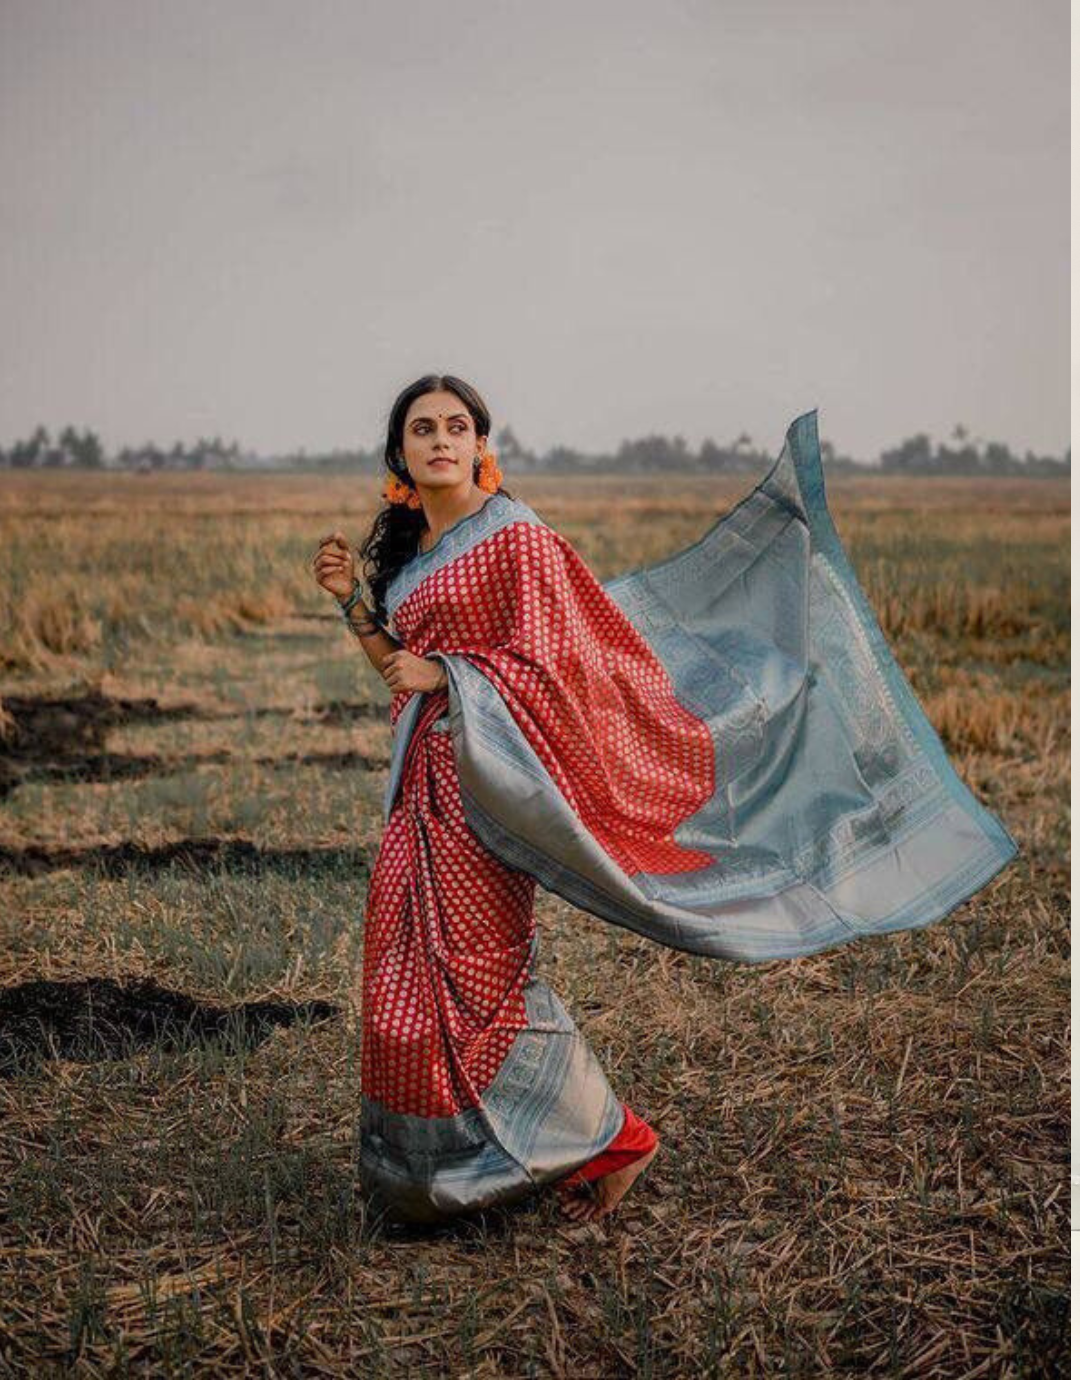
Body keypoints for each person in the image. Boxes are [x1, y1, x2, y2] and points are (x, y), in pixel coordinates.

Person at [312, 374, 1018, 1229]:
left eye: (457, 426)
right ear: (398, 455)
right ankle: (436, 1174)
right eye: (421, 429)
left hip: (488, 785)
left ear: (481, 445)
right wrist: (357, 601)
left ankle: (611, 1141)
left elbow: (562, 665)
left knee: (477, 976)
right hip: (419, 791)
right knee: (403, 973)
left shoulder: (519, 542)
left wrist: (454, 676)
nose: (440, 441)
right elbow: (401, 668)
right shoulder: (416, 561)